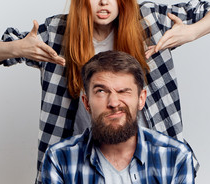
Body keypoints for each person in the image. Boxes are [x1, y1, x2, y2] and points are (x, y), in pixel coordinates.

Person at [0, 0, 210, 183]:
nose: (104, 2)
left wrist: (191, 32)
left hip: (149, 162)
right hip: (82, 162)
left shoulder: (148, 22)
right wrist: (18, 48)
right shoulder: (58, 33)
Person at [42, 50, 195, 184]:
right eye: (101, 91)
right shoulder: (59, 158)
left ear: (141, 99)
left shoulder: (176, 156)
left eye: (123, 91)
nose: (114, 103)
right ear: (86, 102)